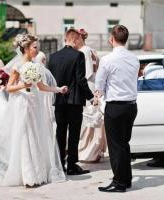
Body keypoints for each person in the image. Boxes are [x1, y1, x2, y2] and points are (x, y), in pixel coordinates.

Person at [0, 33, 66, 186]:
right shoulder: (17, 66)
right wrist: (24, 85)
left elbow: (42, 87)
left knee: (36, 135)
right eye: (35, 48)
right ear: (27, 49)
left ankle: (39, 172)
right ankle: (28, 175)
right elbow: (9, 88)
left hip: (35, 104)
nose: (37, 50)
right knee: (25, 136)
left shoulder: (36, 66)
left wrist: (58, 89)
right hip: (22, 104)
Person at [95, 25, 139, 192]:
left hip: (115, 106)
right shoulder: (134, 58)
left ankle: (119, 182)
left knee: (116, 146)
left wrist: (98, 96)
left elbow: (99, 84)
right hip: (131, 106)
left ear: (112, 39)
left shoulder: (107, 59)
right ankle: (126, 179)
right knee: (124, 144)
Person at [48, 28, 94, 175]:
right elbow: (81, 79)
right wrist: (91, 97)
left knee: (60, 132)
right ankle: (72, 165)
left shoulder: (53, 56)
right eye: (78, 40)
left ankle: (60, 163)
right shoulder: (78, 56)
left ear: (65, 39)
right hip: (74, 101)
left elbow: (51, 80)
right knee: (73, 133)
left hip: (59, 100)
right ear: (74, 40)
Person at [77, 28, 107, 163]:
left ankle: (87, 152)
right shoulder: (92, 50)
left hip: (87, 86)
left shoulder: (82, 52)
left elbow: (85, 73)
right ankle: (97, 150)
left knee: (88, 121)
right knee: (95, 118)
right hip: (95, 85)